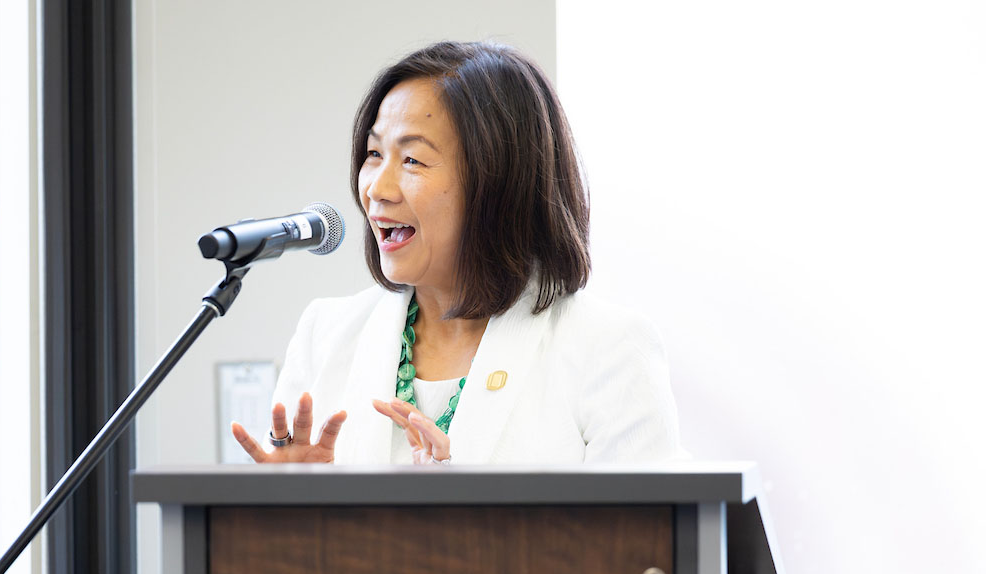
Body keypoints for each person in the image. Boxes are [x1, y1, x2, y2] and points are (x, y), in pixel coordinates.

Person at [230, 41, 684, 466]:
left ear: (499, 183)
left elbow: (647, 550)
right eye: (373, 153)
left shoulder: (610, 349)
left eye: (412, 160)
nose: (376, 190)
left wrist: (459, 523)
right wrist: (289, 508)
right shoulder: (325, 334)